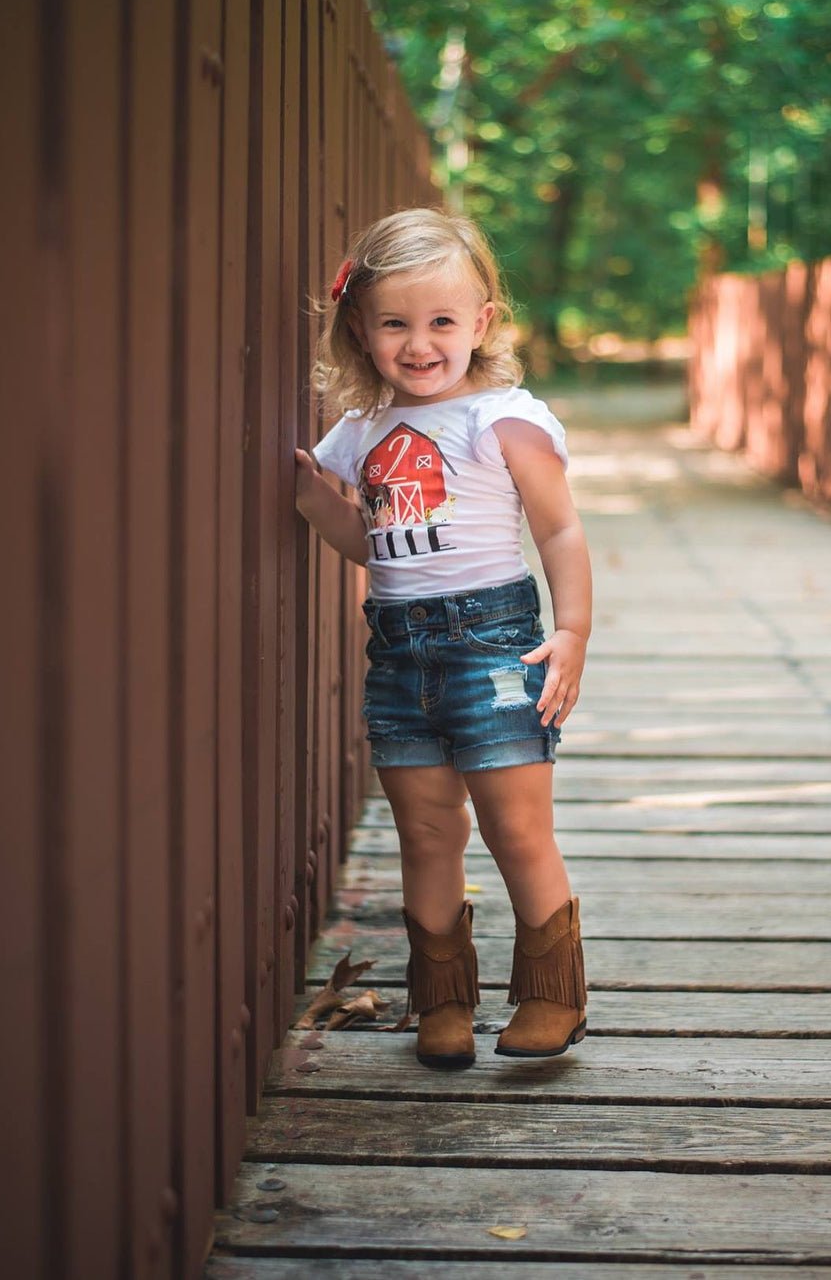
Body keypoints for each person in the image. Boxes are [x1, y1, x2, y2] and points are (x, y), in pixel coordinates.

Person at [294, 206, 591, 1070]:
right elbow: (373, 541)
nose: (419, 344)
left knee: (515, 826)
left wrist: (570, 630)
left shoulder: (504, 418)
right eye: (395, 323)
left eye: (441, 323)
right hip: (399, 653)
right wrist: (321, 506)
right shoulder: (360, 433)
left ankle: (552, 995)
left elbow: (560, 533)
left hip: (496, 644)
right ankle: (443, 1002)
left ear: (481, 324)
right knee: (425, 831)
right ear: (361, 328)